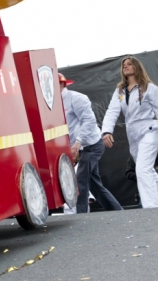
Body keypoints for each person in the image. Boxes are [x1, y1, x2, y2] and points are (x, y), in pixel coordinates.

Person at [102, 56, 158, 208]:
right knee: (148, 170)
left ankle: (151, 209)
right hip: (132, 134)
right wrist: (106, 131)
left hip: (149, 131)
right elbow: (112, 111)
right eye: (124, 65)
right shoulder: (120, 90)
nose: (125, 66)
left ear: (137, 67)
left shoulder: (149, 88)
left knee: (142, 169)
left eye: (129, 64)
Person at [60, 73, 122, 213]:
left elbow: (89, 121)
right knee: (95, 185)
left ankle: (80, 215)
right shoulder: (53, 103)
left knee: (81, 179)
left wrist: (77, 142)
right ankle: (117, 211)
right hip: (80, 147)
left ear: (63, 84)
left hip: (91, 146)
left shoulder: (77, 98)